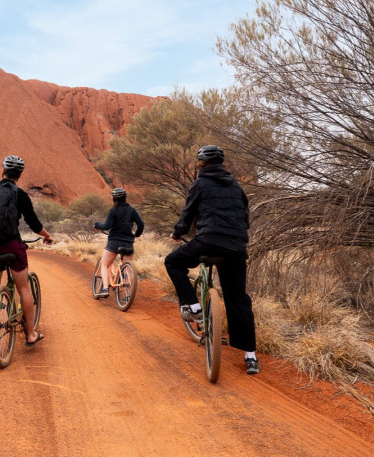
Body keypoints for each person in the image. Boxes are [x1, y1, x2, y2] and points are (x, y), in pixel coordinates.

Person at [164, 146, 260, 375]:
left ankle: (195, 308)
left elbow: (188, 213)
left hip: (208, 241)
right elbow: (245, 216)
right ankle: (251, 357)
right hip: (236, 247)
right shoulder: (236, 186)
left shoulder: (200, 183)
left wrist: (178, 233)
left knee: (173, 262)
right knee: (238, 298)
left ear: (201, 163)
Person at [0, 155, 53, 358]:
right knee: (23, 288)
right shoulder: (19, 194)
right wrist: (47, 236)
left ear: (2, 169)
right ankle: (30, 334)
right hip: (13, 245)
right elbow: (34, 223)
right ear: (19, 175)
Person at [93, 188, 144, 298]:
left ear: (114, 199)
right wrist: (137, 234)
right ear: (125, 198)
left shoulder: (113, 210)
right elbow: (141, 224)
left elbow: (107, 226)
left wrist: (97, 224)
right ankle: (128, 294)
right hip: (128, 243)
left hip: (114, 242)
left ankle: (105, 289)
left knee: (105, 264)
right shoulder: (132, 210)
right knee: (127, 269)